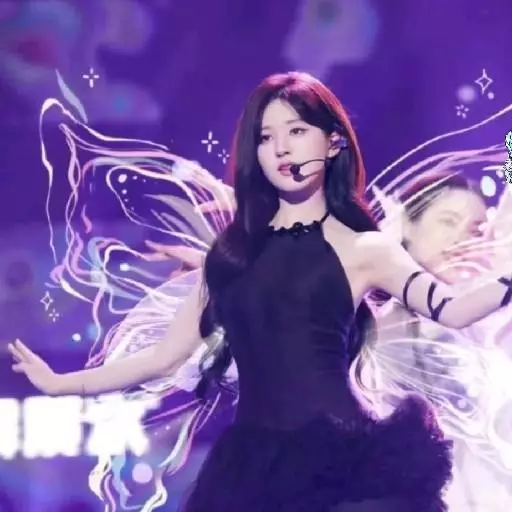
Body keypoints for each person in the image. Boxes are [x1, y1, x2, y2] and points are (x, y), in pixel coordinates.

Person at [8, 71, 512, 512]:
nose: (282, 148)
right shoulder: (231, 254)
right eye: (267, 137)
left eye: (297, 131)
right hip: (254, 467)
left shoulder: (364, 247)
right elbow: (163, 357)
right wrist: (61, 384)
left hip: (344, 461)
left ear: (333, 143)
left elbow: (453, 308)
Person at [372, 170, 512, 511]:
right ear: (407, 226)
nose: (463, 238)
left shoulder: (489, 328)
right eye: (448, 221)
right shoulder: (369, 326)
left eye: (476, 229)